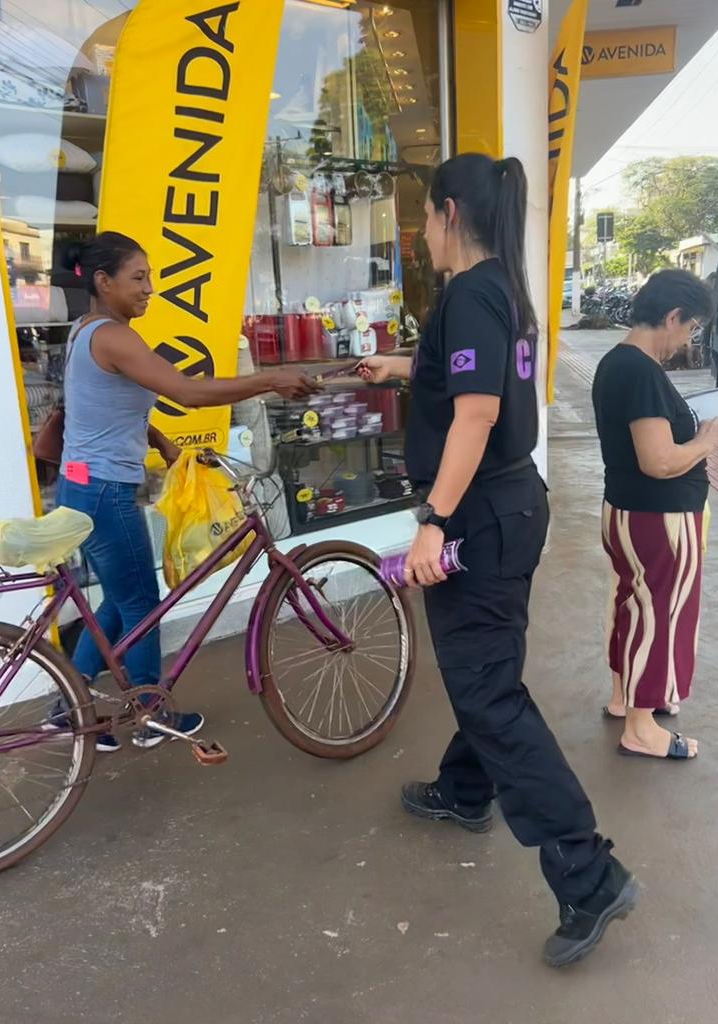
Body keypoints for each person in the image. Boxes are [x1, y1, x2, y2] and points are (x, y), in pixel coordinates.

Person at [358, 153, 637, 968]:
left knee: (488, 691)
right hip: (509, 506)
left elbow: (476, 414)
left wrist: (433, 521)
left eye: (424, 215)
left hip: (479, 514)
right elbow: (469, 383)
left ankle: (588, 874)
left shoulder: (470, 291)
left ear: (450, 211)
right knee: (488, 674)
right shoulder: (502, 289)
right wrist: (403, 367)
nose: (421, 232)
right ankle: (465, 788)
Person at [53, 231, 318, 752]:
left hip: (79, 483)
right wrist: (270, 381)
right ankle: (151, 715)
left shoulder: (84, 331)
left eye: (150, 276)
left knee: (120, 600)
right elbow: (188, 392)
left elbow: (99, 405)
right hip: (105, 490)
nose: (149, 288)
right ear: (103, 282)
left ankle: (70, 704)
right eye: (138, 277)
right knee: (141, 605)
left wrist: (159, 441)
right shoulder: (115, 337)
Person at [592, 269, 718, 760]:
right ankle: (641, 727)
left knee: (634, 606)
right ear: (673, 317)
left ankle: (625, 698)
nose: (688, 340)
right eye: (691, 328)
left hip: (631, 512)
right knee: (659, 616)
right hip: (660, 518)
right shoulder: (641, 371)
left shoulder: (619, 362)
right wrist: (708, 441)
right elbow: (659, 461)